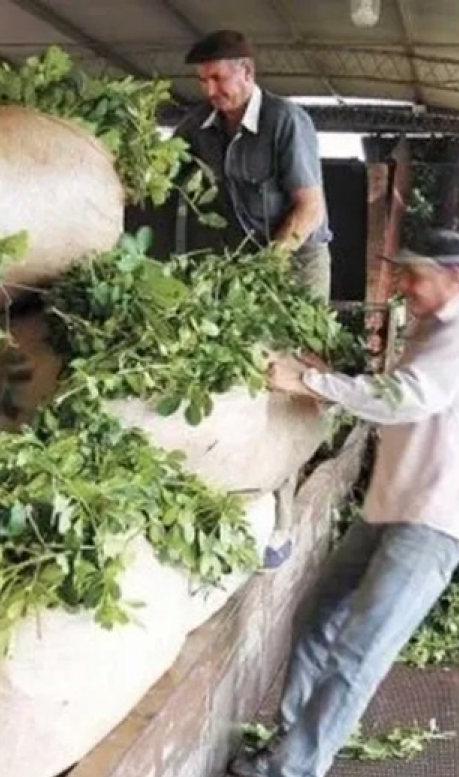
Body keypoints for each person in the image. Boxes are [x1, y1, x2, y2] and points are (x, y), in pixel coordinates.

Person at [217, 230, 459, 777]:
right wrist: (333, 376)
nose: (402, 286)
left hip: (432, 522)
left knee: (356, 654)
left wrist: (310, 383)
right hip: (391, 507)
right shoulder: (428, 328)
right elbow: (394, 397)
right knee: (318, 617)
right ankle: (289, 746)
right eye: (400, 274)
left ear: (455, 277)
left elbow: (405, 399)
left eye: (414, 275)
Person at [175, 28, 334, 569]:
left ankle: (283, 520)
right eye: (203, 81)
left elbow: (308, 208)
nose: (210, 90)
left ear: (247, 72)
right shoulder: (200, 127)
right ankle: (229, 480)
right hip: (242, 265)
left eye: (219, 78)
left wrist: (270, 266)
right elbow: (162, 173)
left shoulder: (286, 121)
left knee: (284, 376)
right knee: (233, 369)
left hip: (296, 261)